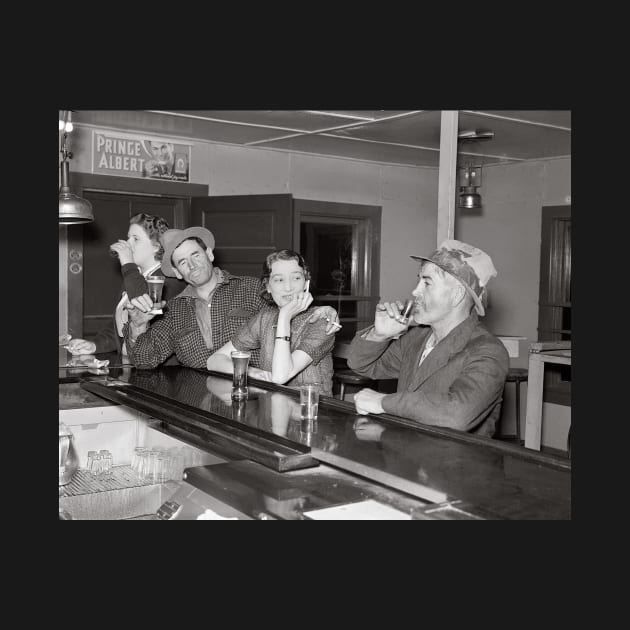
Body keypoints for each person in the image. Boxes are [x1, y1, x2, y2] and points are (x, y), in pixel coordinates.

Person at [348, 239, 509, 437]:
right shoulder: (417, 338)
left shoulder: (487, 351)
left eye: (426, 283)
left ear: (457, 294)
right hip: (406, 455)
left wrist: (382, 402)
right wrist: (379, 335)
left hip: (455, 465)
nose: (415, 291)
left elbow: (456, 415)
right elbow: (360, 364)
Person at [123, 228, 340, 370]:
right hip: (199, 400)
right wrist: (138, 326)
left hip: (257, 392)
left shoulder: (251, 288)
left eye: (195, 255)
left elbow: (290, 311)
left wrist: (320, 311)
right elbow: (144, 361)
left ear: (209, 254)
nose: (192, 265)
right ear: (178, 273)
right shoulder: (174, 310)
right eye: (182, 262)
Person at [206, 250, 337, 395]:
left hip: (312, 411)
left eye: (296, 278)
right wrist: (250, 372)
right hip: (271, 407)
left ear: (306, 283)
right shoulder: (264, 318)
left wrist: (284, 317)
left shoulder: (322, 321)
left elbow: (281, 376)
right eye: (279, 280)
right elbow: (213, 361)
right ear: (268, 286)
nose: (288, 287)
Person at [66, 213, 184, 357]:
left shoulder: (168, 280)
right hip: (131, 362)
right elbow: (120, 325)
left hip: (162, 371)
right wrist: (94, 345)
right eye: (129, 237)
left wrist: (128, 263)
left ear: (156, 246)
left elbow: (143, 307)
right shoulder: (135, 275)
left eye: (136, 239)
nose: (128, 243)